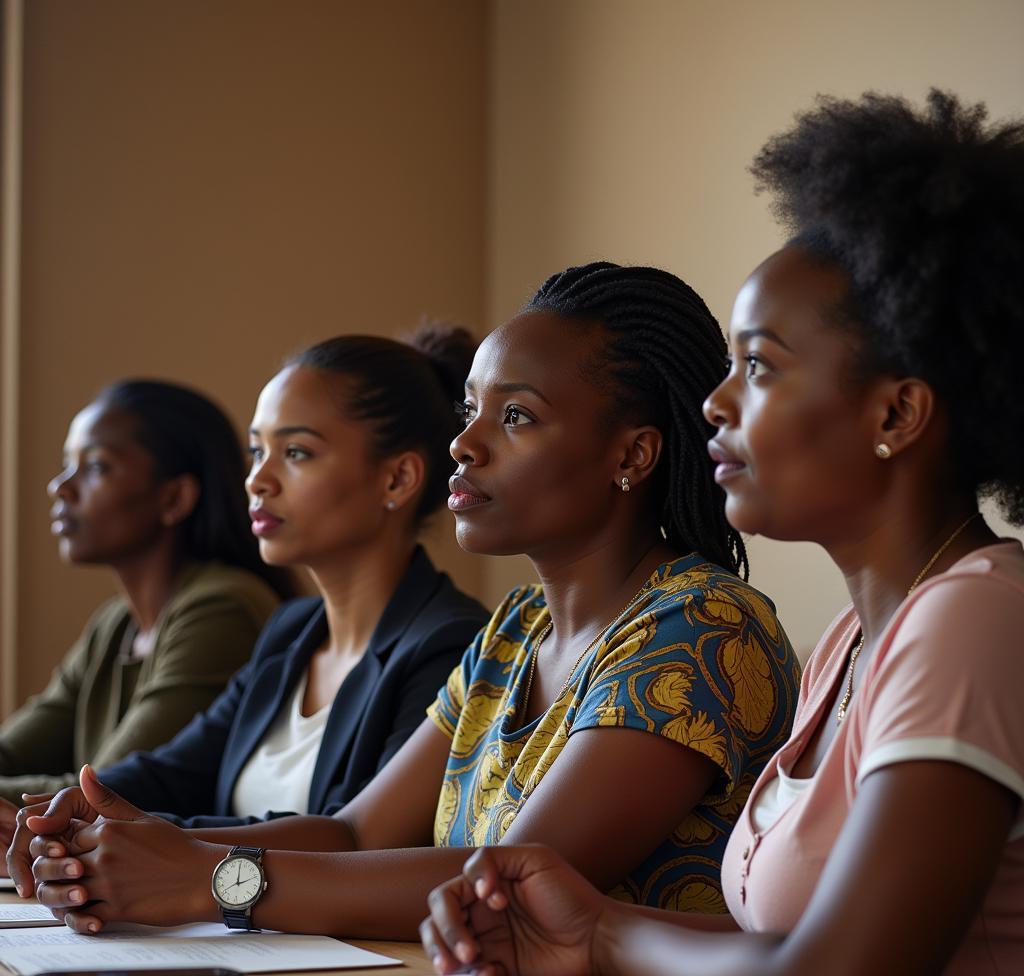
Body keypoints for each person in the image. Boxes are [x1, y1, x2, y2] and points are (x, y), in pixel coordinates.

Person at [419, 91, 1024, 976]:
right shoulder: (856, 646)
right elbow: (786, 949)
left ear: (895, 415)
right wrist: (588, 925)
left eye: (762, 366)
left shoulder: (977, 617)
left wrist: (609, 937)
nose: (714, 402)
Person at [12, 263, 799, 938]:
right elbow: (357, 830)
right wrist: (134, 837)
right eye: (470, 412)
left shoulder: (702, 624)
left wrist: (207, 879)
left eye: (515, 415)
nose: (464, 443)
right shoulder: (516, 629)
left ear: (632, 455)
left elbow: (518, 883)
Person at [23, 328, 490, 832]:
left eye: (295, 453)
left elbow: (352, 844)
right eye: (255, 451)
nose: (257, 480)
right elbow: (170, 774)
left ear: (397, 479)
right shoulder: (290, 630)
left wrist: (156, 843)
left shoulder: (450, 644)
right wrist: (52, 814)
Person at [0, 380, 288, 864]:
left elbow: (107, 792)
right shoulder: (115, 624)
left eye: (95, 467)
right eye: (67, 464)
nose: (60, 486)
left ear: (174, 498)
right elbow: (17, 749)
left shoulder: (223, 608)